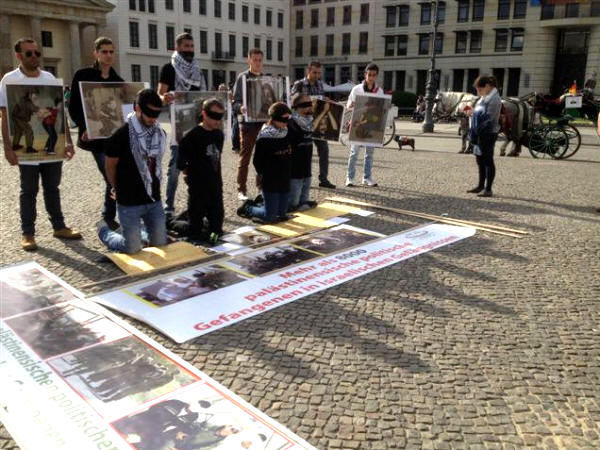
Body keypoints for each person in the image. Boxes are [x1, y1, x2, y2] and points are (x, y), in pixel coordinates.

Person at [1, 37, 82, 251]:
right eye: (29, 53)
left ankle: (59, 226)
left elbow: (61, 115)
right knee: (28, 190)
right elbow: (4, 116)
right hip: (25, 147)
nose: (34, 57)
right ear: (18, 55)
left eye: (37, 53)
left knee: (52, 187)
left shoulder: (49, 77)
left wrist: (68, 141)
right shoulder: (9, 80)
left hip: (52, 148)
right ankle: (28, 233)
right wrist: (7, 148)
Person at [97, 89, 167, 254]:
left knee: (160, 244)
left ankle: (138, 232)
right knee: (132, 248)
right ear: (137, 108)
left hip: (153, 197)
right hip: (128, 200)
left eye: (156, 114)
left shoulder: (159, 134)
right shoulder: (121, 135)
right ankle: (104, 231)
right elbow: (110, 165)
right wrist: (116, 187)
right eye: (149, 113)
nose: (153, 119)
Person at [69, 36, 124, 230]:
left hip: (114, 137)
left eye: (111, 52)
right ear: (96, 53)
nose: (108, 55)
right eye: (104, 51)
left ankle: (110, 215)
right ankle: (108, 217)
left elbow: (122, 110)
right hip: (95, 137)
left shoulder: (118, 81)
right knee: (110, 175)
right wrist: (84, 127)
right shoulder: (82, 75)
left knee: (115, 175)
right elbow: (74, 106)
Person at [157, 32, 207, 217]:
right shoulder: (169, 68)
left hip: (196, 123)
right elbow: (159, 94)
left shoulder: (198, 70)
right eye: (186, 46)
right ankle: (169, 206)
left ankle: (196, 205)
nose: (190, 50)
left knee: (197, 166)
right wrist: (165, 98)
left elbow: (203, 95)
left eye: (192, 46)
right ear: (177, 47)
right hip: (177, 124)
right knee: (174, 167)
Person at [168, 98, 225, 244]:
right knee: (195, 232)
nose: (217, 121)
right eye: (214, 116)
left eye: (220, 116)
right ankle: (170, 222)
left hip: (215, 187)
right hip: (198, 189)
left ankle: (202, 225)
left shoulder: (219, 135)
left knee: (216, 233)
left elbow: (216, 160)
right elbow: (181, 163)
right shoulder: (191, 136)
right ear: (204, 114)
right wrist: (189, 174)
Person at [237, 102, 292, 223]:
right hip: (270, 180)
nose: (286, 122)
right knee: (270, 217)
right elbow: (257, 161)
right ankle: (248, 208)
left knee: (282, 214)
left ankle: (262, 202)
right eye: (284, 119)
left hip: (284, 178)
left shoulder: (286, 132)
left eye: (288, 119)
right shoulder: (265, 137)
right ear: (274, 118)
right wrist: (264, 175)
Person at [291, 61, 336, 189]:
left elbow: (321, 103)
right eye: (314, 72)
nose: (317, 75)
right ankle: (302, 178)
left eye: (319, 73)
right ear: (308, 71)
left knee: (324, 150)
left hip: (317, 123)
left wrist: (325, 100)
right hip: (302, 124)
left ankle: (323, 179)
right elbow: (292, 102)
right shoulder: (299, 84)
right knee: (304, 152)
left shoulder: (320, 84)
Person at [232, 48, 266, 201]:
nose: (257, 63)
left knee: (263, 157)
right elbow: (235, 102)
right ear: (249, 60)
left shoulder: (265, 79)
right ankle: (241, 189)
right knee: (245, 157)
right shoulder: (243, 78)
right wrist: (241, 107)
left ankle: (261, 188)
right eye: (255, 60)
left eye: (260, 60)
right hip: (248, 124)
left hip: (263, 123)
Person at [346, 63, 385, 187]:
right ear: (365, 75)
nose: (371, 77)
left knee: (369, 153)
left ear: (376, 76)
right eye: (369, 75)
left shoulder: (379, 91)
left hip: (372, 124)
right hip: (358, 123)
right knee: (354, 152)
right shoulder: (356, 89)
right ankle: (349, 178)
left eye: (374, 75)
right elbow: (348, 104)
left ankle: (367, 178)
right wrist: (352, 105)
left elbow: (382, 109)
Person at [465, 75, 502, 198]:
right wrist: (472, 113)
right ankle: (480, 186)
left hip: (488, 133)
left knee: (487, 160)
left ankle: (488, 189)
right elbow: (480, 112)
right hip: (479, 132)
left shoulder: (494, 99)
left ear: (487, 86)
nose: (478, 92)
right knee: (480, 160)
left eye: (479, 89)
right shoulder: (484, 98)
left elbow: (489, 118)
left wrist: (474, 113)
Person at [287, 93, 317, 211]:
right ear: (298, 107)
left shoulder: (310, 121)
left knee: (304, 199)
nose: (311, 106)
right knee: (293, 203)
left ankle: (302, 202)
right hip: (295, 169)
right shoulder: (291, 123)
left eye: (311, 103)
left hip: (306, 166)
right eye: (307, 104)